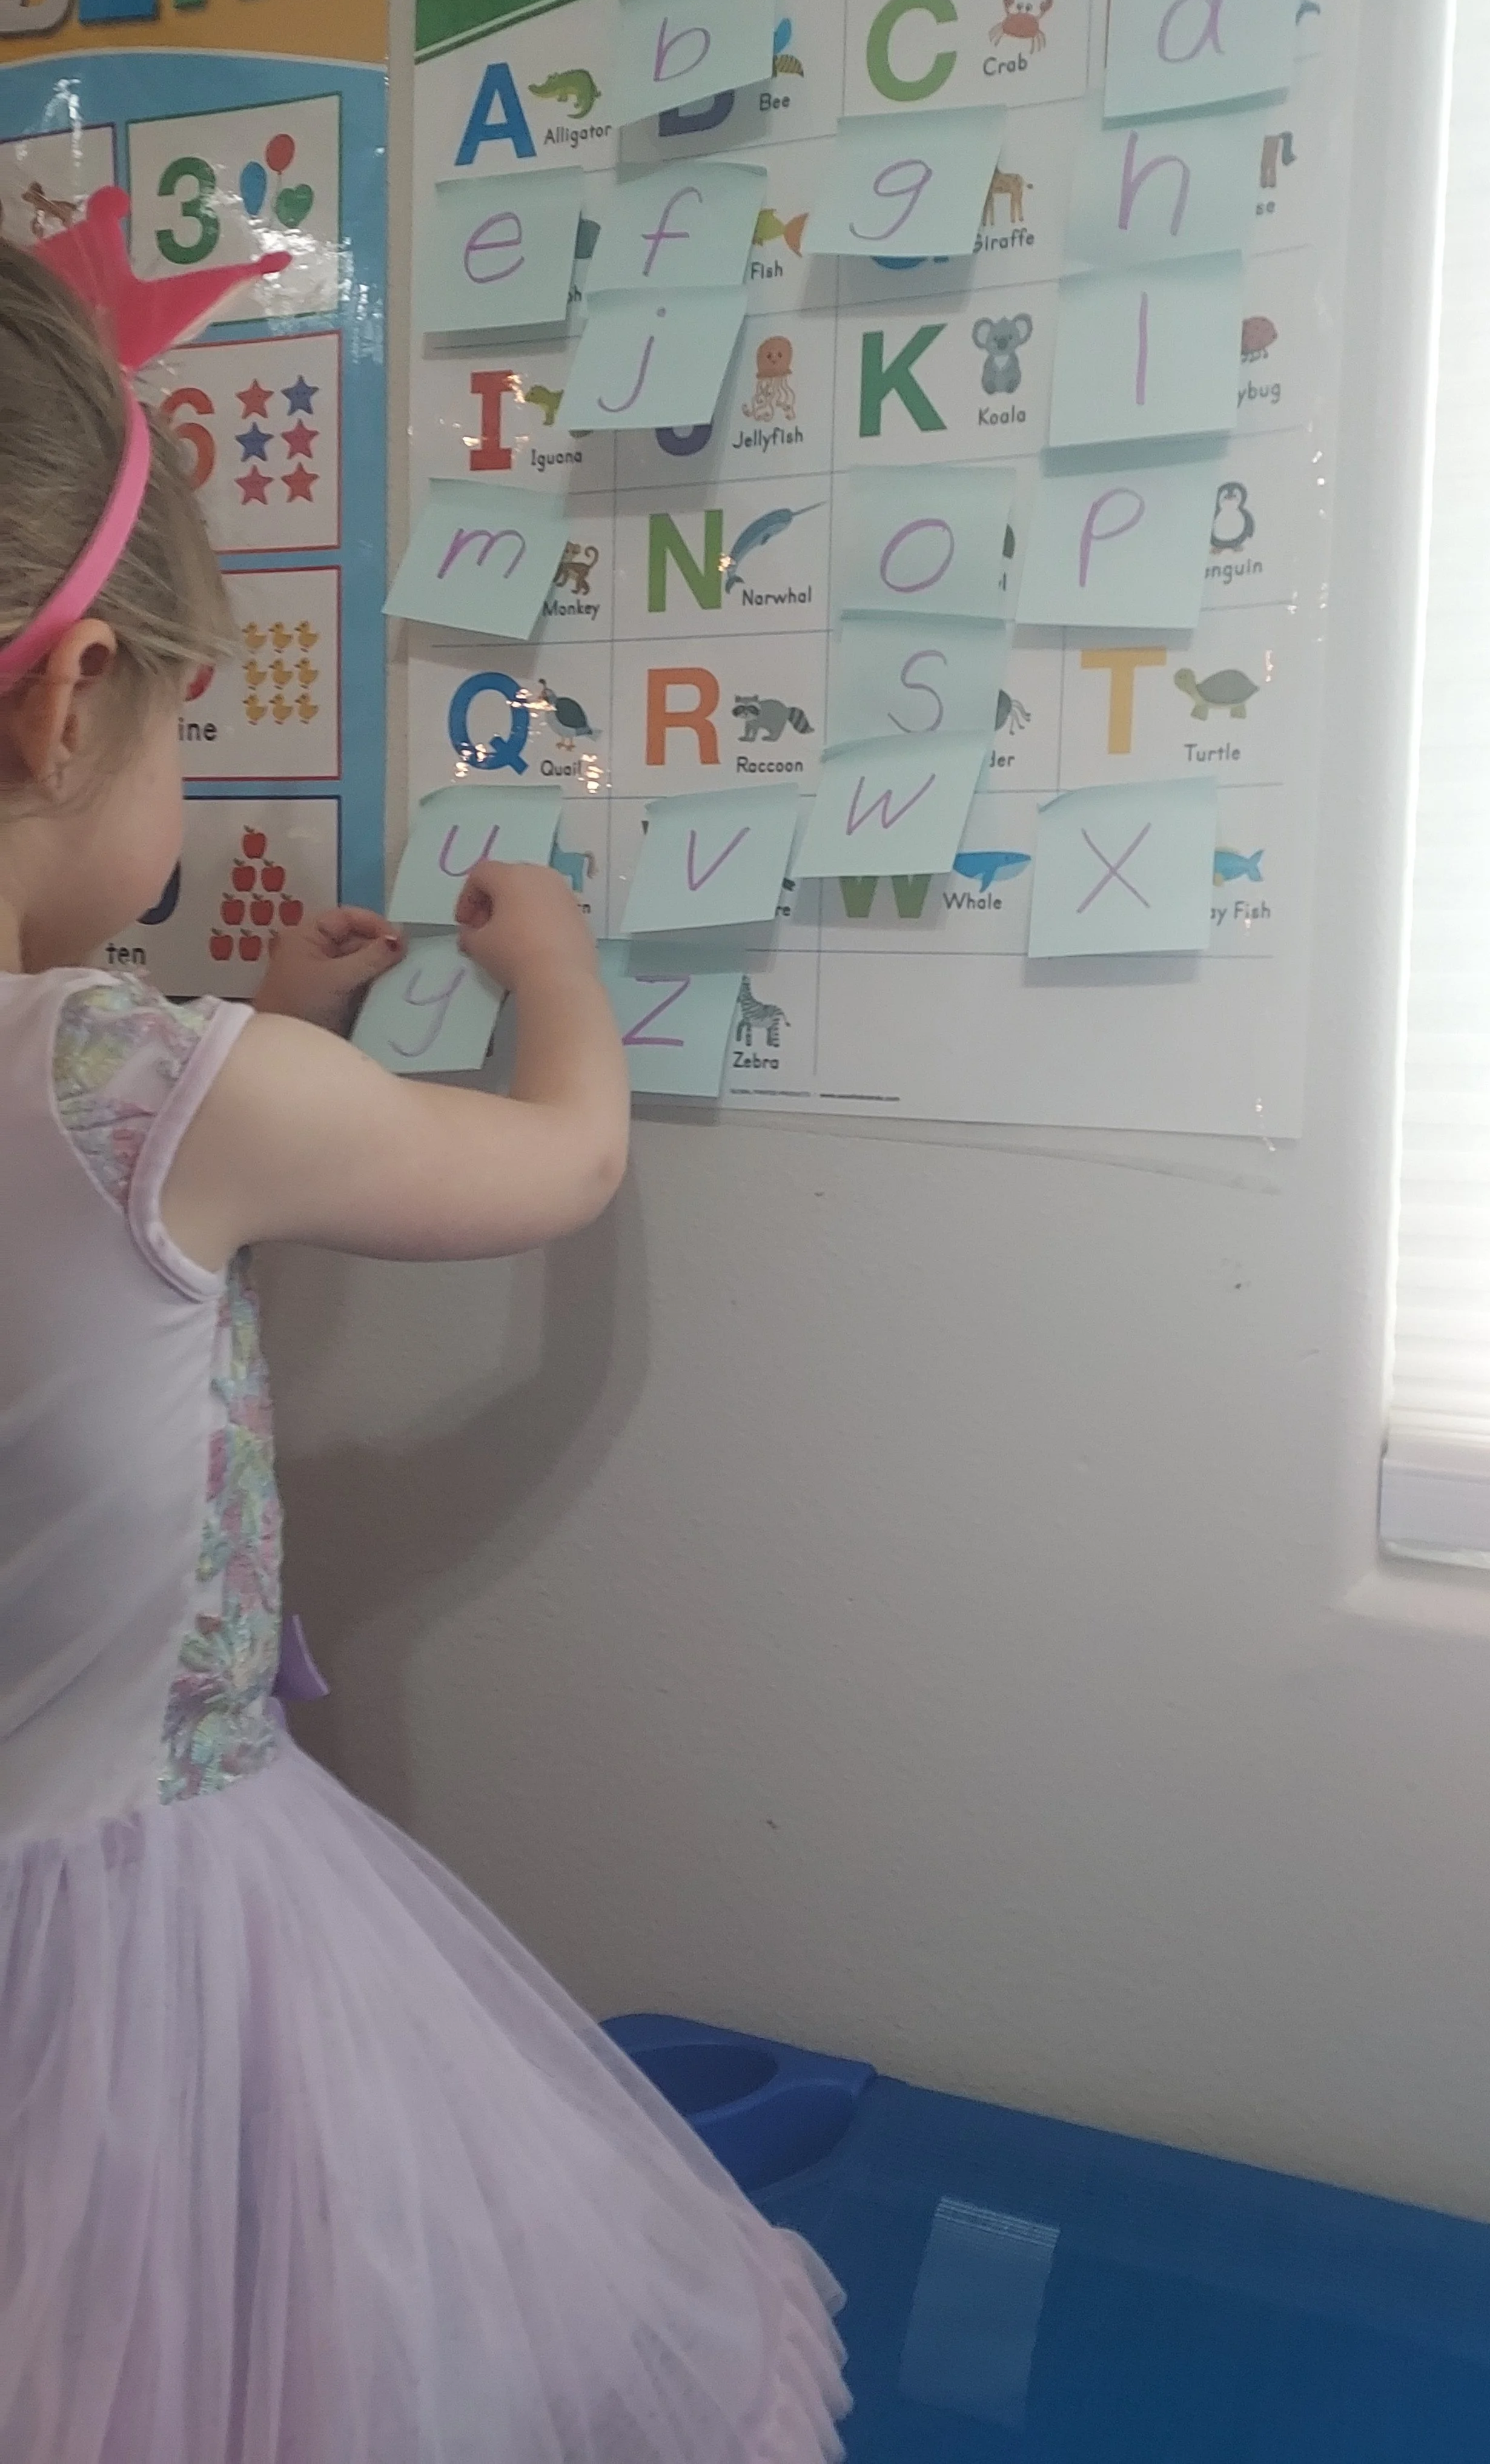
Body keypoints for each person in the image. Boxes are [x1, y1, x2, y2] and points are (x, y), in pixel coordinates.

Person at [0, 208, 847, 2462]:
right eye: (188, 719)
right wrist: (550, 966)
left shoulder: (165, 1094)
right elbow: (556, 1161)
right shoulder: (165, 1095)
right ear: (71, 701)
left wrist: (258, 1030)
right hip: (154, 1946)